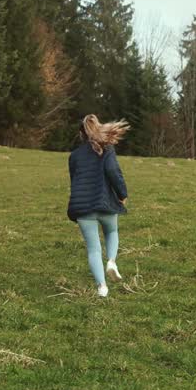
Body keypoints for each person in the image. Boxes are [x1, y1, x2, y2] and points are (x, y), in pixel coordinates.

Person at [66, 114, 130, 297]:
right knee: (112, 231)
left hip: (83, 208)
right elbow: (114, 172)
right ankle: (111, 261)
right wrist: (122, 195)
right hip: (105, 203)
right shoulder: (107, 149)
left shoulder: (74, 156)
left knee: (93, 249)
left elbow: (74, 181)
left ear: (81, 134)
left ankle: (102, 287)